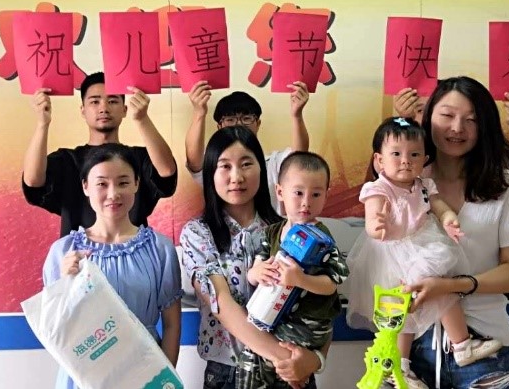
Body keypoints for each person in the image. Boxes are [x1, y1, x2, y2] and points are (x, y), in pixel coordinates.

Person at [346, 117, 502, 389]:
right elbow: (372, 217)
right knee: (402, 312)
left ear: (425, 159)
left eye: (414, 155)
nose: (405, 161)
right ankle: (401, 365)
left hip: (423, 246)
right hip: (392, 254)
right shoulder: (378, 188)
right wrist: (376, 225)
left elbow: (438, 206)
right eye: (396, 154)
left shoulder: (424, 185)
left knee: (442, 291)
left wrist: (449, 219)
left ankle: (461, 345)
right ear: (379, 160)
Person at [399, 76, 509, 389]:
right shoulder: (405, 183)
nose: (457, 128)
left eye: (471, 120)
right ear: (427, 117)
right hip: (411, 353)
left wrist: (451, 287)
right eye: (447, 115)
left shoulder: (508, 185)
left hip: (486, 347)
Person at [180, 127, 324, 389]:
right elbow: (222, 304)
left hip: (291, 372)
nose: (237, 177)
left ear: (262, 169)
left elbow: (321, 304)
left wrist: (315, 360)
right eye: (225, 166)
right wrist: (285, 360)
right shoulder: (198, 233)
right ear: (211, 173)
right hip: (231, 373)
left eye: (246, 164)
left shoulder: (291, 232)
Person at [42, 143, 182, 389]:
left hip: (145, 371)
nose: (113, 193)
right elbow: (54, 330)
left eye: (123, 182)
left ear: (137, 184)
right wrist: (65, 283)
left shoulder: (159, 249)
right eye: (102, 184)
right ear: (85, 187)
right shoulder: (63, 252)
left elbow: (171, 325)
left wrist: (163, 381)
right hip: (86, 375)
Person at [239, 151, 349, 389]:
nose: (306, 202)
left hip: (304, 333)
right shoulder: (271, 233)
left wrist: (301, 279)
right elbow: (255, 269)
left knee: (291, 374)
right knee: (250, 365)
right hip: (270, 326)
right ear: (280, 192)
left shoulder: (323, 239)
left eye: (316, 194)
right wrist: (256, 273)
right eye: (298, 193)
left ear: (326, 195)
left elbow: (333, 282)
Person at [23, 72, 178, 236]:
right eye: (95, 102)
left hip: (134, 249)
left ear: (124, 109)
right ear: (83, 110)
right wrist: (42, 123)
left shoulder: (139, 157)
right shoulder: (67, 161)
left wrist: (142, 119)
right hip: (79, 251)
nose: (104, 108)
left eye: (112, 101)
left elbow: (167, 172)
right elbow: (33, 182)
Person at [185, 81, 310, 212]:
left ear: (258, 124)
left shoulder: (272, 164)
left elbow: (299, 157)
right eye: (230, 119)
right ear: (219, 127)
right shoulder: (215, 164)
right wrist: (199, 113)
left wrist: (297, 115)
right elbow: (195, 162)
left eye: (246, 118)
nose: (239, 124)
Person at [393, 87, 509, 174]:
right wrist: (405, 120)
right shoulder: (409, 157)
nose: (457, 128)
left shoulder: (488, 161)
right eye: (420, 110)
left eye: (471, 118)